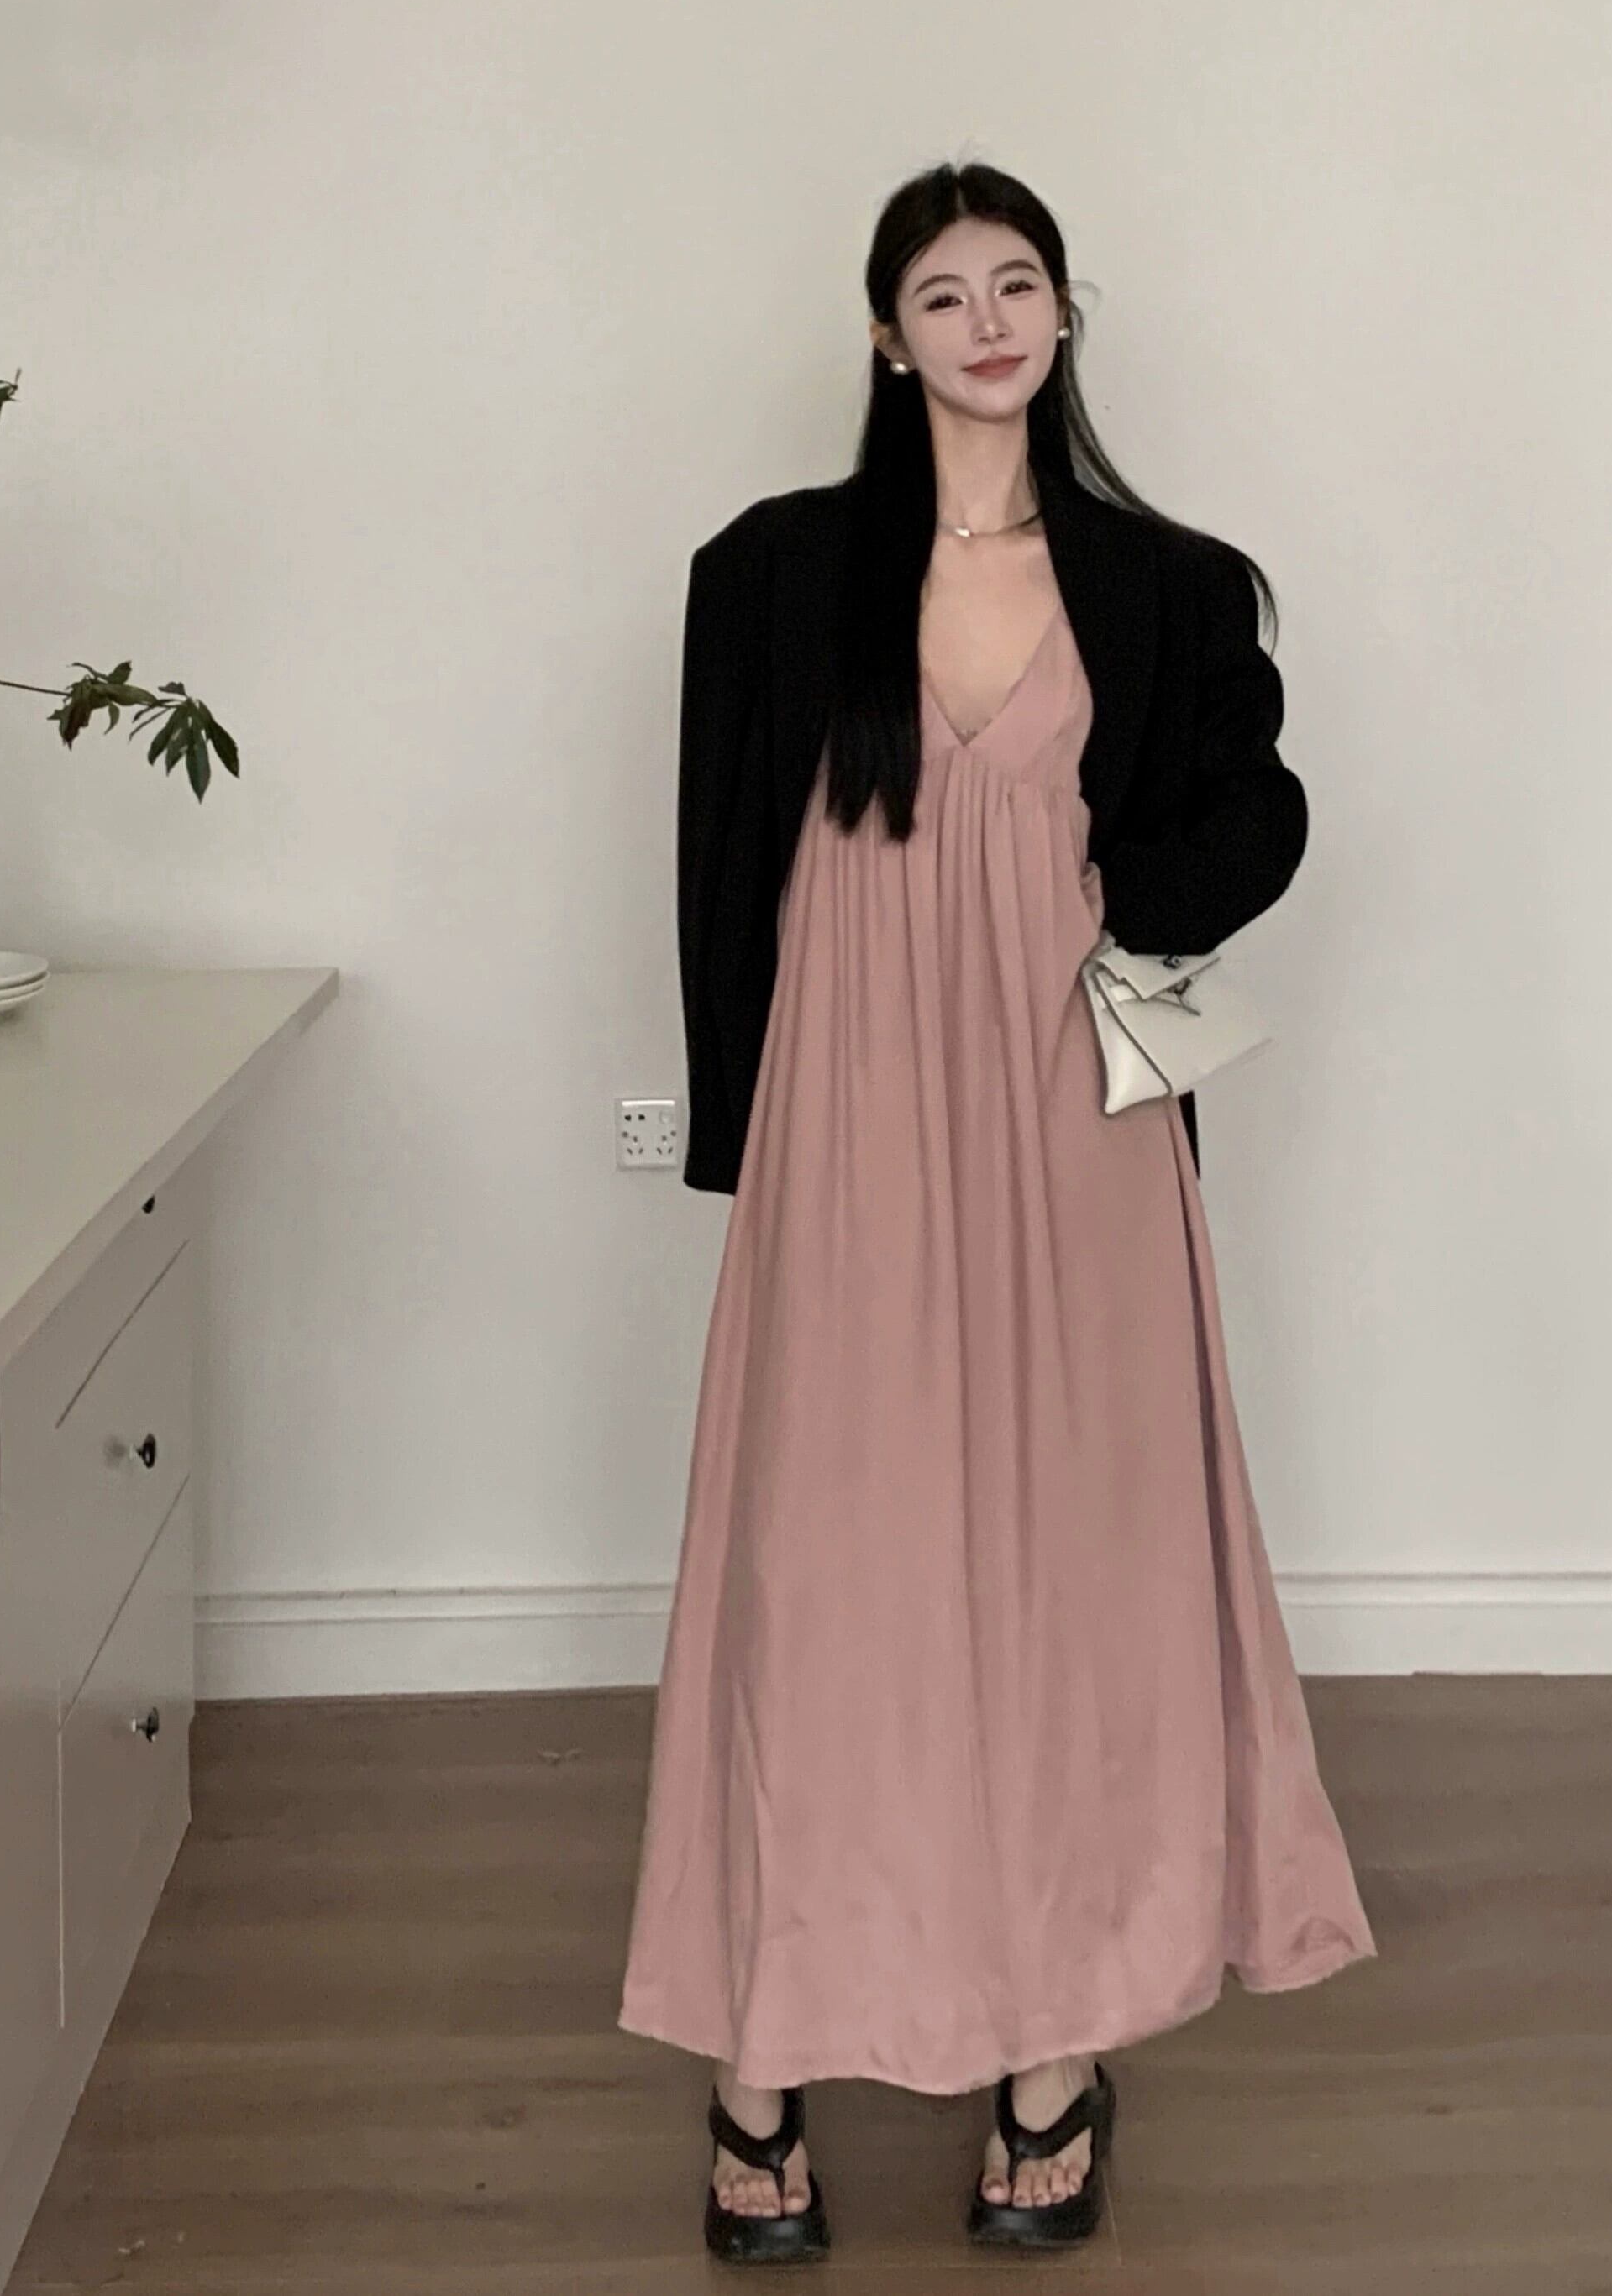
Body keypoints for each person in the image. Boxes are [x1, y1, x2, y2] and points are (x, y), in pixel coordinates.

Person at [617, 159, 1378, 2262]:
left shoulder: (1169, 582)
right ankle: (761, 2046)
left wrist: (1139, 889)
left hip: (1068, 1109)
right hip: (847, 1112)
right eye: (941, 291)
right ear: (885, 335)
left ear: (1061, 313)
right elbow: (716, 864)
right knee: (819, 1574)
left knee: (1069, 1569)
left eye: (1016, 281)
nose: (984, 319)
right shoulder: (771, 573)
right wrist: (739, 1132)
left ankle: (1052, 2045)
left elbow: (1255, 809)